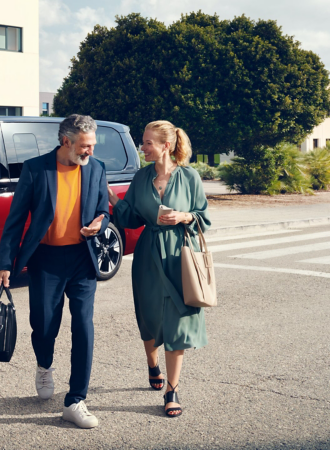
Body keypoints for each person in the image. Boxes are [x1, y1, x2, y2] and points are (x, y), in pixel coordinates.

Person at [0, 114, 110, 429]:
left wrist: (100, 222)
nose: (90, 152)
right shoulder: (36, 169)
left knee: (83, 326)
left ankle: (75, 400)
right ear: (65, 142)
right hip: (46, 259)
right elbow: (15, 219)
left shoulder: (97, 169)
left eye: (92, 146)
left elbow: (103, 209)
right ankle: (44, 365)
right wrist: (5, 262)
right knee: (44, 325)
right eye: (85, 146)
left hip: (82, 258)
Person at [108, 120, 210, 418]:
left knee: (178, 322)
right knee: (150, 316)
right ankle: (152, 364)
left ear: (166, 145)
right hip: (148, 256)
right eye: (143, 142)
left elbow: (204, 217)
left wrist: (184, 216)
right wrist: (114, 200)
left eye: (148, 143)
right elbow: (131, 219)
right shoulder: (141, 178)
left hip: (180, 254)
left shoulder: (190, 177)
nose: (143, 147)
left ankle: (172, 390)